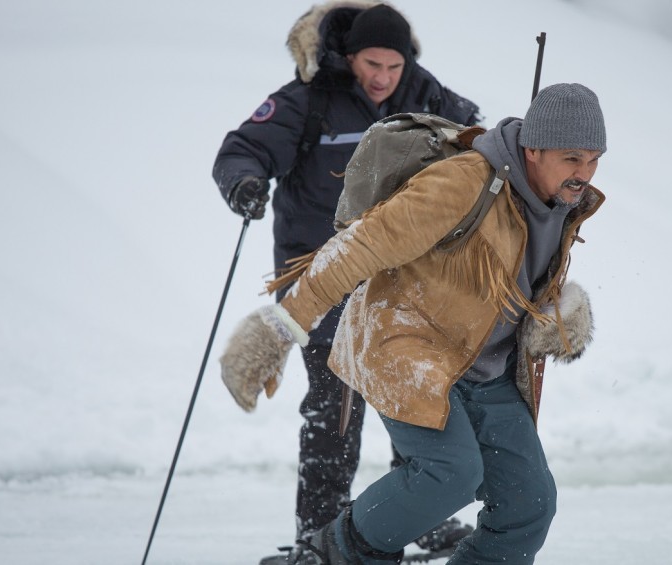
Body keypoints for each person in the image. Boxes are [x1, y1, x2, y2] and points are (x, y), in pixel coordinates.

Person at [220, 82, 607, 564]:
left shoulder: (565, 201)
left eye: (594, 159)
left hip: (486, 365)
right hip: (406, 342)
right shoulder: (465, 181)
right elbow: (359, 246)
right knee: (450, 473)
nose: (585, 174)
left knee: (529, 504)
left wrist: (555, 309)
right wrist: (280, 329)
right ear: (533, 148)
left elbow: (521, 271)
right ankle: (328, 556)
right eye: (573, 158)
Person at [211, 2, 481, 561]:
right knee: (335, 414)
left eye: (393, 66)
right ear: (348, 56)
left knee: (414, 401)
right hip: (322, 278)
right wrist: (244, 183)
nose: (381, 78)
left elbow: (480, 146)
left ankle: (416, 521)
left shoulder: (426, 98)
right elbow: (244, 148)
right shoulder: (308, 100)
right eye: (370, 64)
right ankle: (321, 539)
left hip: (401, 283)